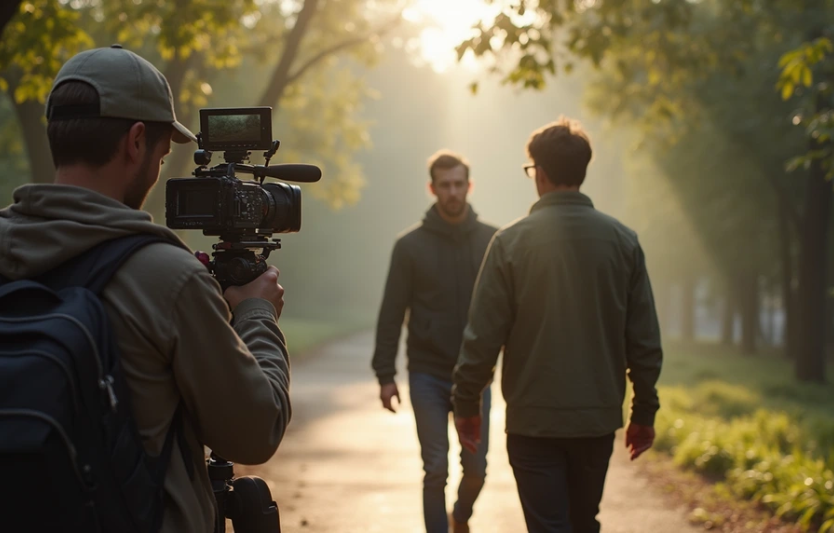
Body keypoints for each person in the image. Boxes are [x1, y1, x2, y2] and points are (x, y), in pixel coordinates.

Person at [0, 46, 291, 533]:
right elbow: (255, 430)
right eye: (161, 152)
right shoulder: (165, 276)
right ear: (136, 141)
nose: (159, 168)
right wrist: (255, 314)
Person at [451, 118, 663, 533]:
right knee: (585, 521)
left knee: (548, 525)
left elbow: (482, 337)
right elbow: (644, 340)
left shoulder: (511, 243)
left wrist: (466, 405)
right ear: (581, 172)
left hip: (533, 421)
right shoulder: (623, 241)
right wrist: (644, 411)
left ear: (540, 174)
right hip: (596, 420)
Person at [371, 151, 498, 533]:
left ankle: (460, 516)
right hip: (426, 373)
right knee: (435, 468)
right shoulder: (409, 246)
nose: (452, 192)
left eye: (459, 184)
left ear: (469, 186)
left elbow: (509, 310)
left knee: (476, 469)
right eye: (445, 185)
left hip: (475, 377)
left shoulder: (494, 241)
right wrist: (385, 374)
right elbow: (392, 312)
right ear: (432, 188)